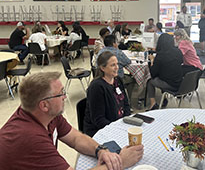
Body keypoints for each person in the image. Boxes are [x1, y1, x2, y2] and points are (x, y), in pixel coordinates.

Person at [0, 72, 143, 170]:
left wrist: (101, 150)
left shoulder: (46, 114)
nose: (65, 97)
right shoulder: (29, 137)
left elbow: (75, 138)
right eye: (61, 93)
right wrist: (121, 162)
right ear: (44, 105)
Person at [84, 51, 131, 137]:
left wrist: (126, 121)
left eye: (117, 64)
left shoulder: (117, 80)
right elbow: (98, 120)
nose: (117, 67)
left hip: (119, 125)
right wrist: (117, 130)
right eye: (113, 65)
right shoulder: (97, 87)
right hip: (101, 131)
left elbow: (126, 104)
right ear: (102, 68)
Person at [147, 33, 183, 110]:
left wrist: (152, 60)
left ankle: (153, 103)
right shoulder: (178, 51)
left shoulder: (160, 56)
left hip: (170, 84)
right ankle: (164, 99)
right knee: (163, 76)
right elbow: (181, 62)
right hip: (180, 82)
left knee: (149, 81)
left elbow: (153, 74)